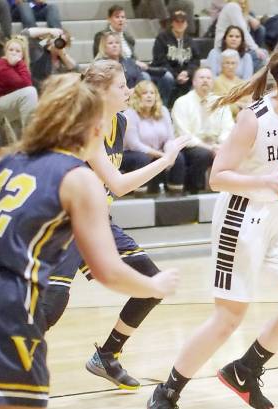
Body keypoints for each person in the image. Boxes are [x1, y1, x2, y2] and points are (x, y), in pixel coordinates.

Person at [0, 72, 179, 409]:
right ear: (89, 126)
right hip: (10, 303)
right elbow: (107, 270)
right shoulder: (78, 177)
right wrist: (157, 285)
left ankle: (107, 354)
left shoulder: (6, 160)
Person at [146, 44, 278, 409]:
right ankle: (166, 393)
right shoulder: (255, 119)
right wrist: (264, 180)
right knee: (229, 317)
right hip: (242, 216)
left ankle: (245, 368)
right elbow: (218, 176)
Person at [42, 60, 189, 391]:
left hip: (97, 221)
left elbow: (109, 188)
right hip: (65, 220)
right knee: (51, 305)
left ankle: (107, 355)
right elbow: (119, 183)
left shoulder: (120, 122)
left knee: (151, 284)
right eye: (122, 86)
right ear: (99, 92)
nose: (130, 91)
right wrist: (165, 161)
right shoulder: (83, 126)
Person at [172, 67, 234, 194]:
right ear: (193, 82)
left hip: (217, 144)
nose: (205, 80)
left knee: (237, 150)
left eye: (208, 78)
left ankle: (227, 192)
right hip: (190, 146)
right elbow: (184, 135)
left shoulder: (220, 102)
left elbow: (228, 128)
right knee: (202, 154)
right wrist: (209, 148)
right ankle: (194, 191)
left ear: (212, 82)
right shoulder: (182, 102)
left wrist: (220, 145)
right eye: (201, 78)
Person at [123, 80, 185, 195]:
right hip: (132, 153)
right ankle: (140, 197)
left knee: (178, 157)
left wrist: (170, 152)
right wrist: (164, 156)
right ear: (137, 96)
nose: (149, 96)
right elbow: (134, 144)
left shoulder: (163, 111)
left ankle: (176, 196)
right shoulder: (129, 114)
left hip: (159, 152)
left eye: (152, 93)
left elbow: (169, 138)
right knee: (142, 158)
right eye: (145, 93)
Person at [0, 36, 38, 141]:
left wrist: (20, 64)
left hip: (8, 107)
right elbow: (26, 84)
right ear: (5, 52)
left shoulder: (20, 67)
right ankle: (32, 135)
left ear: (22, 55)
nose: (13, 53)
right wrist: (20, 63)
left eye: (17, 51)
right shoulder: (0, 64)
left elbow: (25, 83)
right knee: (30, 92)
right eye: (10, 50)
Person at [150, 9, 200, 107]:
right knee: (167, 77)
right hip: (166, 73)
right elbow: (160, 61)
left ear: (186, 24)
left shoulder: (190, 41)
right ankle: (162, 106)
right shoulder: (162, 38)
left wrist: (187, 72)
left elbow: (195, 61)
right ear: (172, 23)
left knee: (201, 77)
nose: (180, 24)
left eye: (183, 22)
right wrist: (176, 75)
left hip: (185, 75)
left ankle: (191, 108)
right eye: (177, 21)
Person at [214, 0, 267, 72]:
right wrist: (256, 48)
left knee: (262, 52)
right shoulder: (233, 6)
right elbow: (243, 31)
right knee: (261, 56)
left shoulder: (239, 9)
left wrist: (249, 18)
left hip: (237, 46)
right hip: (224, 47)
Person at [213, 49, 251, 118]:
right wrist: (240, 105)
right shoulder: (217, 82)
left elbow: (249, 103)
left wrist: (236, 103)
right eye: (227, 63)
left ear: (237, 65)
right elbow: (223, 105)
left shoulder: (242, 83)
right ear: (221, 65)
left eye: (233, 63)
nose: (230, 66)